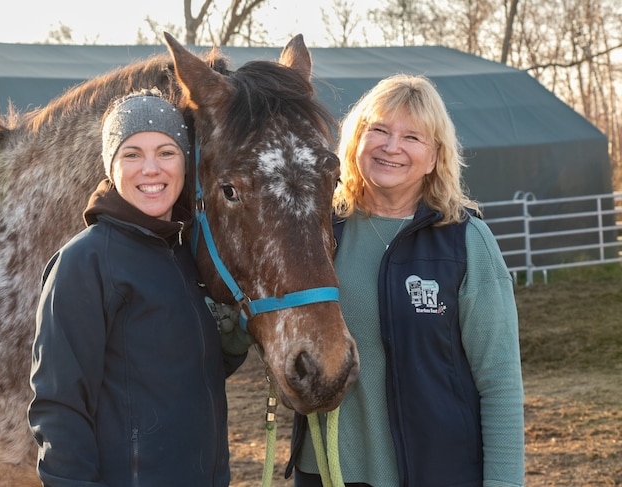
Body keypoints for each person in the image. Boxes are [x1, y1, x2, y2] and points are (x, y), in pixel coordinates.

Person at [287, 74, 525, 487]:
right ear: (356, 141)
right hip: (328, 473)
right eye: (378, 130)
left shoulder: (465, 241)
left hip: (436, 472)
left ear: (435, 157)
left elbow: (499, 381)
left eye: (412, 137)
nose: (391, 146)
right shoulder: (318, 232)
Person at [28, 89, 246, 486]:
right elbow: (59, 405)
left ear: (185, 163)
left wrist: (229, 344)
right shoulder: (85, 262)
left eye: (166, 152)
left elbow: (175, 374)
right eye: (132, 154)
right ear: (111, 167)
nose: (151, 169)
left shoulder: (186, 255)